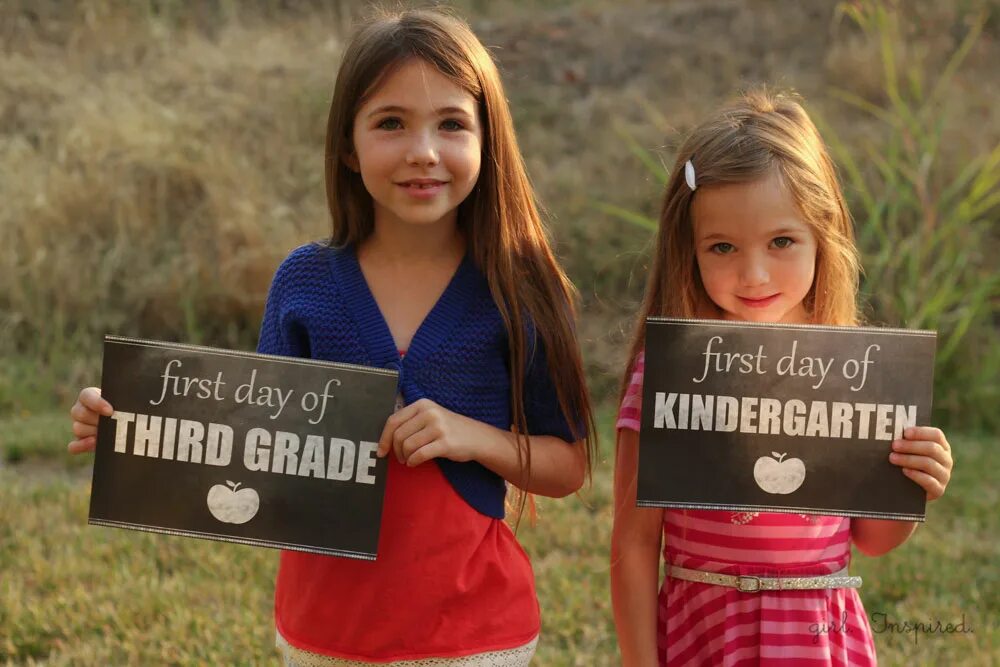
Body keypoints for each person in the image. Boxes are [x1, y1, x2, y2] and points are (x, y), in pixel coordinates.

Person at [69, 8, 596, 665]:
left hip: (476, 633)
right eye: (391, 123)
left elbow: (567, 465)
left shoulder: (520, 287)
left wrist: (472, 436)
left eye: (452, 124)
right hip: (324, 631)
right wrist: (132, 426)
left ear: (489, 138)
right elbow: (252, 441)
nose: (422, 151)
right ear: (348, 144)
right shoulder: (305, 282)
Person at [609, 89, 954, 666]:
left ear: (824, 236)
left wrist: (911, 487)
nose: (754, 273)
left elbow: (872, 541)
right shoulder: (670, 374)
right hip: (707, 635)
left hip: (818, 640)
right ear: (688, 250)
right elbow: (634, 542)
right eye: (722, 246)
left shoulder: (855, 373)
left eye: (782, 241)